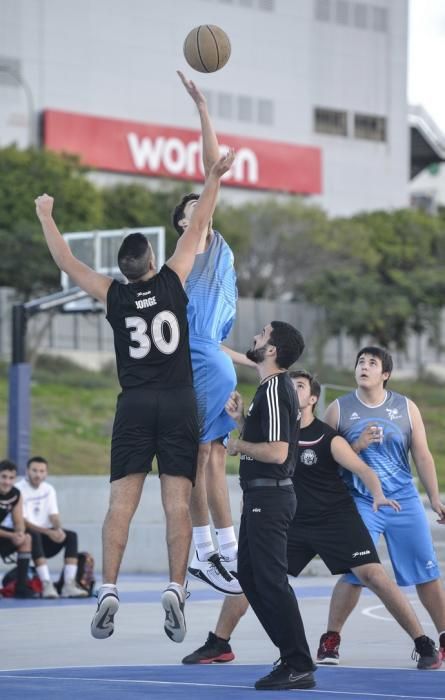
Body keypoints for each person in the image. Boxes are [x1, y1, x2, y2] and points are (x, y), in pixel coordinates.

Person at [35, 148, 234, 643]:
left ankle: (107, 588)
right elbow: (200, 223)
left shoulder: (113, 295)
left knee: (120, 504)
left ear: (124, 270)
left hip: (135, 404)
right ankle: (175, 586)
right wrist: (212, 177)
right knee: (176, 502)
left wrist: (46, 214)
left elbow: (65, 258)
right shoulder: (173, 279)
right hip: (179, 401)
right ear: (152, 261)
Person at [182, 370, 441, 671]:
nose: (293, 390)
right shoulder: (277, 433)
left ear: (313, 399)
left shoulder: (326, 436)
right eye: (290, 386)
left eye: (300, 386)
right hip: (293, 521)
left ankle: (423, 643)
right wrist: (240, 420)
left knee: (374, 575)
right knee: (253, 576)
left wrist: (378, 494)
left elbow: (364, 469)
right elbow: (257, 450)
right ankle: (219, 642)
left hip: (335, 519)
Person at [174, 71, 252, 596]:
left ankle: (221, 548)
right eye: (191, 211)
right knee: (205, 457)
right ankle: (211, 550)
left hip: (211, 358)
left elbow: (212, 338)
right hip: (198, 362)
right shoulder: (196, 243)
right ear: (185, 223)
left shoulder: (218, 254)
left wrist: (254, 362)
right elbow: (210, 174)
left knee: (215, 457)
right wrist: (203, 108)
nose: (199, 212)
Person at [319, 346, 445, 666]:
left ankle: (443, 636)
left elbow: (423, 455)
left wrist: (434, 497)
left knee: (426, 573)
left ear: (385, 374)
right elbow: (322, 458)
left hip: (404, 500)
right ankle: (331, 640)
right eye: (360, 361)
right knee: (354, 571)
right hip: (362, 502)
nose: (364, 366)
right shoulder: (338, 409)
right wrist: (356, 447)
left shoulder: (405, 407)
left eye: (372, 363)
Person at [224, 321, 316, 691]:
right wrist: (243, 421)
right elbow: (275, 441)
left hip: (271, 497)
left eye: (262, 334)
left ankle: (298, 661)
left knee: (271, 581)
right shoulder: (268, 388)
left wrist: (237, 444)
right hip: (261, 497)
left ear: (273, 350)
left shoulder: (278, 388)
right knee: (249, 575)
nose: (256, 337)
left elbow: (278, 452)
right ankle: (291, 656)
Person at [15, 456, 88, 599]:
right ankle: (46, 584)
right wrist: (49, 532)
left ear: (46, 473)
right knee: (33, 534)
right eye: (34, 470)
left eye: (42, 471)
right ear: (27, 471)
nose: (38, 474)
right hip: (28, 538)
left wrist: (58, 529)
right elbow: (23, 522)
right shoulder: (18, 489)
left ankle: (69, 584)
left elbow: (53, 515)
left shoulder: (49, 489)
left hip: (46, 537)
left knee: (71, 535)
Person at [0, 459, 36, 598]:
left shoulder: (15, 494)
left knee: (26, 538)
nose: (7, 482)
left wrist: (19, 533)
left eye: (11, 478)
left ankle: (21, 587)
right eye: (3, 477)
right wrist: (11, 536)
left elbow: (18, 520)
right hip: (4, 534)